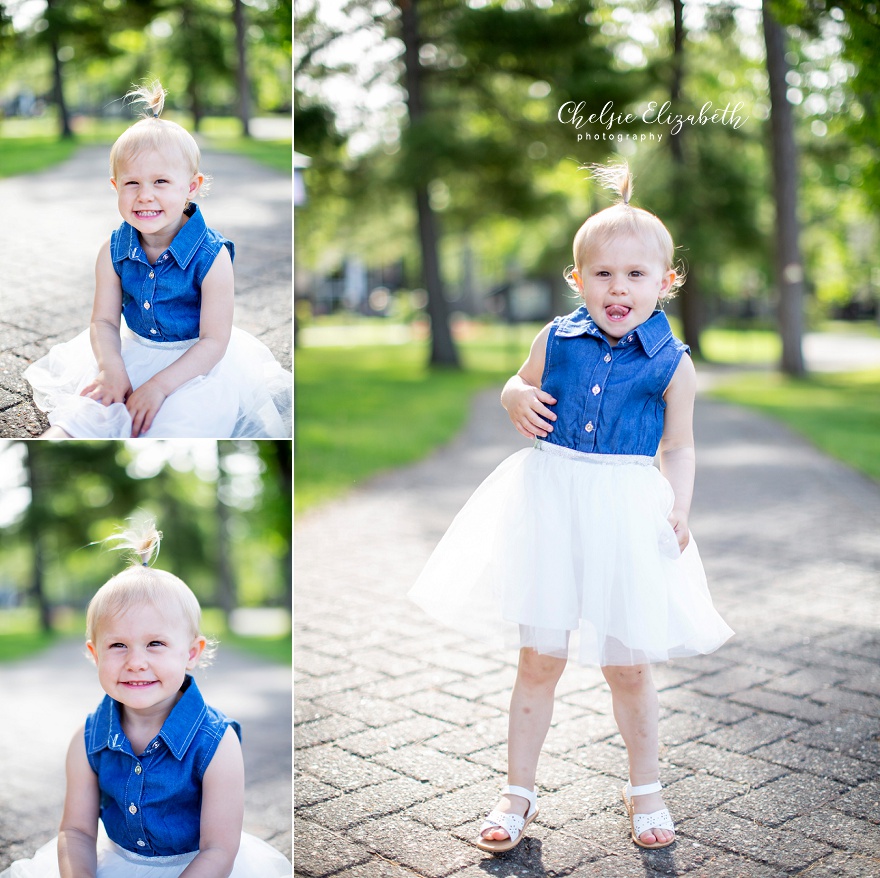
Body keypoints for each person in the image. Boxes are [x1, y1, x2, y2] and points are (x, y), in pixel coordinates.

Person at [409, 162, 733, 853]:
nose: (619, 288)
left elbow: (679, 448)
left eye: (637, 275)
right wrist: (513, 398)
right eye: (604, 274)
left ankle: (644, 789)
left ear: (666, 283)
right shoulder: (555, 339)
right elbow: (515, 386)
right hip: (551, 503)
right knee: (539, 657)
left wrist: (680, 507)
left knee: (629, 664)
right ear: (577, 279)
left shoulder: (673, 363)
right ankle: (516, 791)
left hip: (625, 511)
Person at [0, 518, 292, 878]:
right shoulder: (88, 741)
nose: (136, 663)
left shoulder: (216, 743)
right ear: (95, 654)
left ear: (191, 652)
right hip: (114, 863)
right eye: (118, 645)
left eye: (155, 643)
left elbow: (219, 848)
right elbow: (75, 831)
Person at [24, 80, 291, 439]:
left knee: (181, 421)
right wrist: (111, 368)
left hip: (196, 364)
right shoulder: (113, 251)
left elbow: (213, 341)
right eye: (132, 183)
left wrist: (160, 386)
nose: (145, 196)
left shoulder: (212, 258)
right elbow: (103, 322)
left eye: (161, 181)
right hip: (133, 352)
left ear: (191, 187)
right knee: (90, 412)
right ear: (115, 186)